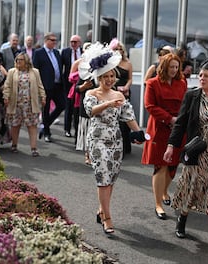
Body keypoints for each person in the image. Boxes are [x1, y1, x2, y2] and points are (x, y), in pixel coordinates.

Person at [163, 57, 208, 253]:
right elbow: (180, 123)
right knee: (193, 187)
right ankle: (182, 219)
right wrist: (171, 145)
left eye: (205, 76)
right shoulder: (192, 96)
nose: (201, 78)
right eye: (200, 75)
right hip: (199, 150)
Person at [79, 42, 145, 235]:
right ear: (99, 77)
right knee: (103, 178)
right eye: (105, 76)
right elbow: (90, 111)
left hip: (116, 140)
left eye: (111, 76)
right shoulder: (92, 93)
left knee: (112, 178)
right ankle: (107, 218)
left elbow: (128, 116)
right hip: (97, 140)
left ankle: (101, 210)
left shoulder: (119, 95)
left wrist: (138, 133)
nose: (109, 79)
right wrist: (107, 103)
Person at [141, 53, 187, 220]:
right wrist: (169, 118)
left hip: (178, 128)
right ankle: (158, 203)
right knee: (161, 165)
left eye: (176, 67)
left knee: (173, 165)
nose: (174, 70)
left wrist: (180, 120)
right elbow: (149, 106)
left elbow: (185, 103)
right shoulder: (152, 83)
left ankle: (164, 191)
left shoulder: (182, 82)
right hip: (160, 127)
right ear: (164, 67)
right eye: (171, 67)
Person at [3, 52, 46, 156]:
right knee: (15, 125)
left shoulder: (35, 72)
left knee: (32, 125)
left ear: (26, 61)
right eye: (17, 59)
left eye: (20, 60)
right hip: (16, 103)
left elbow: (40, 85)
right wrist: (6, 97)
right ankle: (14, 145)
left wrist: (43, 96)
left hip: (30, 104)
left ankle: (34, 148)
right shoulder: (12, 72)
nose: (18, 61)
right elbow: (7, 86)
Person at [33, 32, 64, 142]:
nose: (54, 42)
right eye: (52, 40)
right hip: (45, 86)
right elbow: (35, 70)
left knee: (62, 105)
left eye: (56, 40)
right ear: (46, 41)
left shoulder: (56, 52)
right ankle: (46, 132)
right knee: (45, 109)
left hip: (57, 85)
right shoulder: (38, 53)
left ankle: (45, 125)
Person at [109, 38, 133, 155]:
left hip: (125, 92)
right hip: (113, 92)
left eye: (120, 49)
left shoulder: (128, 63)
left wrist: (126, 87)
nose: (118, 51)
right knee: (115, 120)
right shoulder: (110, 63)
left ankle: (125, 146)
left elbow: (130, 78)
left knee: (125, 119)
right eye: (116, 49)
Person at [62, 34, 82, 138]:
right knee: (68, 107)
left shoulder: (83, 52)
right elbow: (62, 67)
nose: (73, 44)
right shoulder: (65, 52)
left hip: (81, 84)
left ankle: (77, 130)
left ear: (79, 43)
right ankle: (67, 129)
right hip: (68, 83)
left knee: (78, 108)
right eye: (71, 42)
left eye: (75, 42)